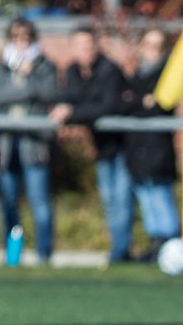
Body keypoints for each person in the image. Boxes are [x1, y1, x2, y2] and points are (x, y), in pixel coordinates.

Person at [49, 27, 130, 263]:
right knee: (109, 199)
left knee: (121, 200)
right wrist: (64, 107)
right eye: (80, 46)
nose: (85, 50)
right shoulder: (74, 71)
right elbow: (71, 97)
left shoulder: (110, 70)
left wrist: (72, 112)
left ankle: (121, 252)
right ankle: (118, 248)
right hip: (103, 147)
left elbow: (106, 106)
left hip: (125, 145)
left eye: (89, 45)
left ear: (97, 46)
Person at [0, 16, 58, 264]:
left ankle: (44, 255)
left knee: (40, 202)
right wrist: (27, 88)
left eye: (26, 38)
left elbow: (49, 93)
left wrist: (28, 81)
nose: (21, 43)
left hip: (34, 144)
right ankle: (13, 256)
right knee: (8, 202)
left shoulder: (44, 66)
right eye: (16, 38)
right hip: (6, 144)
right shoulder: (3, 66)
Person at [122, 27, 181, 262]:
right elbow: (126, 103)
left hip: (158, 150)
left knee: (160, 196)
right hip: (137, 149)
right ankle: (155, 243)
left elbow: (160, 106)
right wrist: (140, 101)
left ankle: (170, 244)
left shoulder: (167, 77)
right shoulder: (136, 76)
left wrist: (143, 103)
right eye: (149, 45)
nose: (153, 51)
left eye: (158, 46)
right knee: (146, 198)